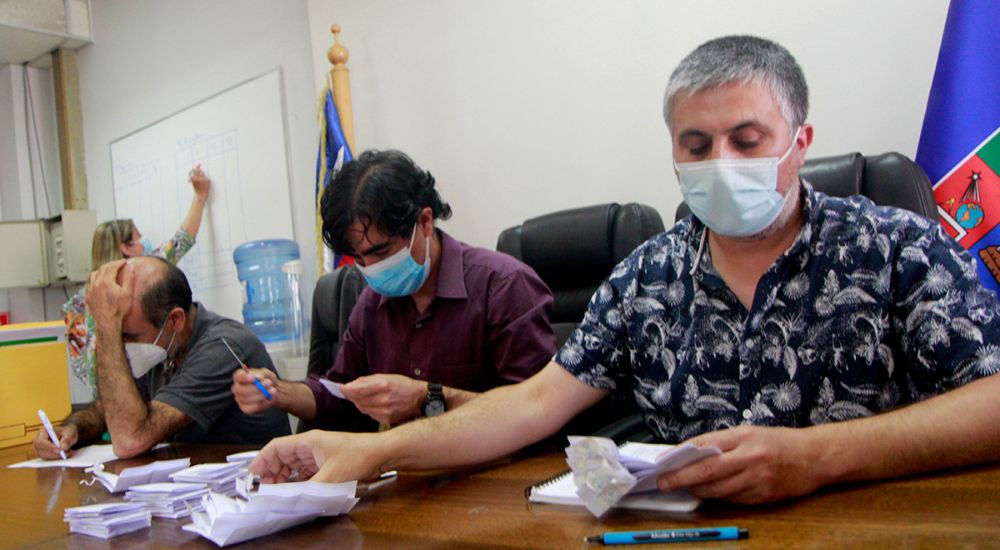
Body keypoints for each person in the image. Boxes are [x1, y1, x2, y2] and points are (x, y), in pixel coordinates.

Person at [249, 35, 1000, 504]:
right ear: (674, 152)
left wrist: (820, 458)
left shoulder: (898, 244)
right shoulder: (647, 277)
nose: (722, 163)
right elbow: (530, 405)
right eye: (697, 145)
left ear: (800, 141)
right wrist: (366, 450)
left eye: (748, 138)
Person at [231, 150, 557, 431]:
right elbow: (340, 395)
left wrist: (425, 397)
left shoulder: (503, 286)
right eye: (358, 258)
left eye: (381, 252)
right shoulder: (372, 305)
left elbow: (538, 411)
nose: (371, 268)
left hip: (496, 482)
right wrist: (279, 392)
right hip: (407, 477)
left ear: (425, 223)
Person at [35, 256, 290, 459]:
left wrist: (107, 327)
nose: (124, 345)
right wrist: (72, 429)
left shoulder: (223, 347)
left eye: (129, 336)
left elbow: (130, 439)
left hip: (250, 493)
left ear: (175, 320)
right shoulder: (165, 345)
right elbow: (108, 408)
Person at [64, 165, 212, 394]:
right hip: (137, 395)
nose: (145, 243)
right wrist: (200, 197)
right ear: (126, 248)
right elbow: (181, 241)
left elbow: (84, 370)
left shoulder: (76, 305)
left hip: (104, 404)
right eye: (139, 238)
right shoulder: (141, 281)